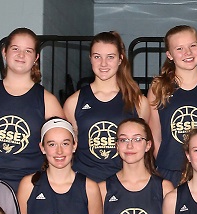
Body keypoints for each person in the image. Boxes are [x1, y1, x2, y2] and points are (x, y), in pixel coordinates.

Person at [0, 27, 64, 190]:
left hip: (31, 187)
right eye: (15, 48)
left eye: (28, 51)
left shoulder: (48, 101)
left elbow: (62, 150)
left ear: (36, 57)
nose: (21, 55)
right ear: (5, 52)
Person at [64, 31, 149, 183]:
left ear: (120, 59)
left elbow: (146, 148)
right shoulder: (73, 102)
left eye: (110, 57)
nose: (103, 64)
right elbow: (68, 148)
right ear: (90, 58)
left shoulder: (138, 102)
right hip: (85, 183)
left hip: (123, 185)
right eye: (97, 57)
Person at [147, 25, 197, 186]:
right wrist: (168, 166)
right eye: (179, 48)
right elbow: (155, 136)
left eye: (192, 46)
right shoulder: (158, 88)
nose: (188, 53)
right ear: (169, 55)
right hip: (170, 172)